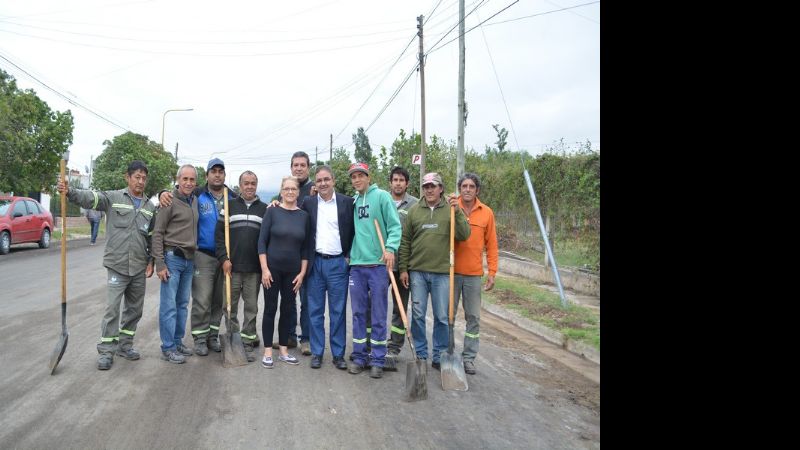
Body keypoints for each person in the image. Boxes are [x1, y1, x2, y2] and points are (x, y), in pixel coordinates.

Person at [57, 160, 156, 371]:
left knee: (134, 310)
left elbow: (151, 237)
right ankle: (106, 351)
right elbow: (91, 198)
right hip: (117, 265)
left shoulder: (150, 207)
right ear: (127, 177)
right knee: (112, 310)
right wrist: (70, 191)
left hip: (138, 267)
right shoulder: (113, 198)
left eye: (143, 178)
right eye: (137, 177)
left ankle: (125, 345)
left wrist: (151, 261)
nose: (140, 182)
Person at [159, 157, 235, 356]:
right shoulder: (197, 194)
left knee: (219, 300)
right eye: (213, 171)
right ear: (207, 175)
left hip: (224, 258)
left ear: (225, 175)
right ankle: (199, 338)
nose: (217, 174)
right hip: (202, 255)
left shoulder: (232, 197)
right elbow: (174, 195)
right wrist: (162, 193)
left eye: (221, 171)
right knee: (202, 299)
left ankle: (212, 336)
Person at [399, 172, 470, 370]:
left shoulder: (451, 210)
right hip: (417, 272)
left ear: (441, 189)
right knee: (418, 314)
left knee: (441, 316)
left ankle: (439, 355)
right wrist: (404, 268)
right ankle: (421, 353)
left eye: (433, 186)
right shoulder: (414, 211)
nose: (429, 190)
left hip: (442, 273)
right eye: (426, 186)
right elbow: (405, 242)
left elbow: (464, 235)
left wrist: (458, 212)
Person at [347, 162, 402, 379]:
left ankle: (378, 358)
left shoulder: (382, 197)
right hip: (357, 266)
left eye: (361, 175)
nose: (357, 180)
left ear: (369, 177)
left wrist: (390, 248)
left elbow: (395, 226)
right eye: (353, 177)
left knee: (379, 314)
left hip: (379, 265)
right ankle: (360, 356)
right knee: (359, 314)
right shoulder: (353, 201)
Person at [302, 165, 354, 370]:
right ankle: (317, 352)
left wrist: (348, 257)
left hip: (338, 264)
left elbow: (355, 230)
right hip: (315, 263)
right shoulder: (308, 203)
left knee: (338, 311)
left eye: (326, 179)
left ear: (333, 180)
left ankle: (338, 354)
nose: (323, 183)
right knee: (315, 311)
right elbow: (291, 210)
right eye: (319, 180)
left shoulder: (347, 202)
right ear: (315, 183)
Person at [257, 176, 310, 368]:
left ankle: (284, 351)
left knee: (287, 310)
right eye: (286, 188)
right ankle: (268, 351)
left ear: (298, 191)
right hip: (271, 270)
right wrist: (264, 269)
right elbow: (262, 242)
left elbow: (306, 248)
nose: (289, 192)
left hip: (293, 273)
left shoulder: (304, 216)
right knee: (270, 309)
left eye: (293, 189)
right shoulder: (272, 212)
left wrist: (302, 273)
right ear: (281, 191)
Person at [215, 171, 267, 363]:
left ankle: (246, 342)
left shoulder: (265, 209)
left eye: (253, 183)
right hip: (232, 268)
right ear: (240, 185)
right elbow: (219, 236)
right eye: (246, 183)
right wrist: (223, 259)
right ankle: (233, 339)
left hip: (254, 269)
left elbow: (267, 239)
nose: (250, 186)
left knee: (251, 308)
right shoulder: (228, 207)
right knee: (229, 307)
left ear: (257, 185)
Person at [152, 165, 199, 364]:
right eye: (185, 179)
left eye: (192, 180)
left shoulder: (194, 200)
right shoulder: (169, 201)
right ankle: (168, 347)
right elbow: (157, 233)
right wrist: (160, 263)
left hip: (189, 260)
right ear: (178, 180)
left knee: (182, 305)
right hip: (172, 259)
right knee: (169, 306)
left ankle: (177, 341)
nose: (188, 183)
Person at [270, 151, 316, 355]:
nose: (298, 168)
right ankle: (288, 336)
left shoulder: (315, 189)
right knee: (289, 300)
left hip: (307, 252)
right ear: (291, 167)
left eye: (302, 165)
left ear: (308, 167)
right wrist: (274, 203)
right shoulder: (289, 188)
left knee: (306, 299)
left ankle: (305, 339)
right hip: (288, 255)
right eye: (295, 165)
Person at [454, 173, 498, 375]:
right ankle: (447, 354)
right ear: (460, 188)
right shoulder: (451, 208)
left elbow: (492, 245)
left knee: (473, 317)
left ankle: (469, 358)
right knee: (448, 316)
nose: (468, 189)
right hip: (451, 273)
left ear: (477, 190)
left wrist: (492, 271)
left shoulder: (486, 213)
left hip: (473, 275)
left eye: (472, 186)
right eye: (464, 186)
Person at [385, 166, 419, 364]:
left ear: (407, 183)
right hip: (383, 264)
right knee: (376, 303)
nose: (398, 183)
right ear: (390, 182)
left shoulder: (415, 205)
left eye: (401, 180)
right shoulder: (382, 200)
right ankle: (375, 343)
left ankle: (394, 346)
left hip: (403, 266)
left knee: (400, 307)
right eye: (395, 179)